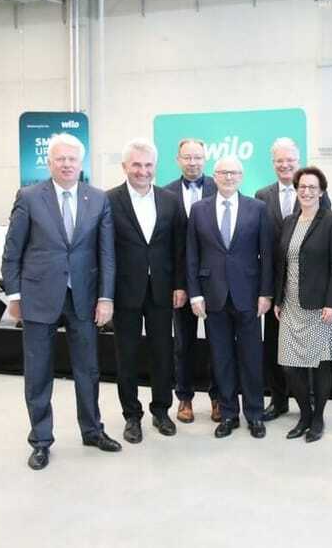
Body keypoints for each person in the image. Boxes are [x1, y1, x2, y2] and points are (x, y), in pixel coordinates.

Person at [1, 133, 120, 471]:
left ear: (81, 163)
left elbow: (106, 254)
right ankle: (40, 440)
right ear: (49, 162)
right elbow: (13, 251)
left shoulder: (97, 199)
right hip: (38, 297)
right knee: (38, 372)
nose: (67, 164)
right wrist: (14, 295)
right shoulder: (29, 197)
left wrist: (106, 297)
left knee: (88, 369)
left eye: (72, 159)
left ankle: (92, 430)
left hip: (84, 298)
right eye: (60, 159)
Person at [186, 156, 274, 439]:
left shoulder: (257, 208)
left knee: (251, 357)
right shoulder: (199, 210)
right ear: (215, 175)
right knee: (221, 357)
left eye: (234, 172)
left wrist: (266, 292)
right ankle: (228, 414)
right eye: (223, 172)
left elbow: (267, 254)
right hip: (212, 295)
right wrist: (195, 294)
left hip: (248, 295)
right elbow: (192, 254)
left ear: (241, 176)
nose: (228, 177)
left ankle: (254, 414)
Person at [107, 138, 187, 444]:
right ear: (124, 167)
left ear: (156, 166)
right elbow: (104, 250)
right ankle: (132, 415)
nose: (143, 171)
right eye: (136, 165)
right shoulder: (109, 200)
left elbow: (180, 247)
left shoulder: (170, 200)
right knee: (126, 355)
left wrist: (180, 284)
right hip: (124, 291)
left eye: (148, 165)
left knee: (162, 353)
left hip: (162, 291)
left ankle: (161, 410)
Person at [254, 138, 331, 422]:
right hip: (278, 285)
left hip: (310, 287)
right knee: (276, 347)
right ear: (272, 163)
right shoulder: (262, 195)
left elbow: (328, 239)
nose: (285, 165)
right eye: (279, 161)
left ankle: (308, 405)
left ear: (298, 161)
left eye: (290, 160)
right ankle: (278, 401)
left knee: (310, 350)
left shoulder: (315, 193)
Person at [272, 167, 332, 442]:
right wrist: (278, 299)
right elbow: (282, 264)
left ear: (322, 191)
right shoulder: (289, 221)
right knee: (290, 366)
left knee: (320, 365)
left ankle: (318, 418)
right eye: (302, 187)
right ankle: (305, 414)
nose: (306, 191)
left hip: (320, 305)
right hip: (291, 304)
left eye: (312, 187)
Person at [163, 138, 221, 424]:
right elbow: (167, 245)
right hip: (181, 283)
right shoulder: (165, 193)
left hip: (215, 281)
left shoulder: (220, 187)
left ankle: (218, 398)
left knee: (218, 343)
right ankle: (184, 397)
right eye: (187, 157)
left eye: (197, 157)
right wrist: (177, 284)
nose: (192, 162)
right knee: (182, 344)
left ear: (205, 159)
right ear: (178, 160)